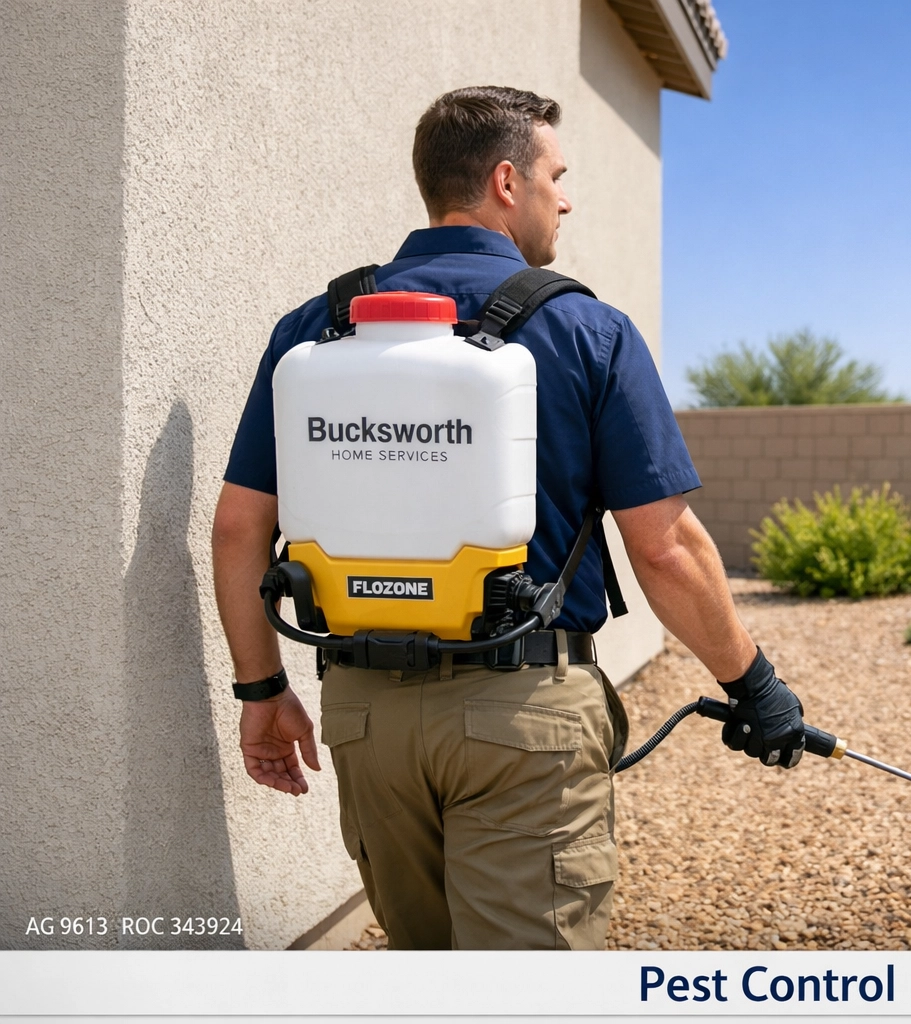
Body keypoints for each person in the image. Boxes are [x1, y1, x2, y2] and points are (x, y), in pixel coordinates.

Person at [211, 86, 807, 950]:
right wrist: (754, 686)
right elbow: (667, 549)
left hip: (363, 716)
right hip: (524, 714)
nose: (565, 197)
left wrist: (263, 691)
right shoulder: (585, 330)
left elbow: (238, 528)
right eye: (555, 176)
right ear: (504, 182)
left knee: (430, 967)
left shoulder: (317, 330)